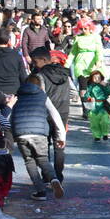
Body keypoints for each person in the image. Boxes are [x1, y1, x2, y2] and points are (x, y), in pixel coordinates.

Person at [11, 72, 65, 201]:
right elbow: (55, 115)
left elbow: (11, 115)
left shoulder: (17, 97)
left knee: (29, 161)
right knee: (43, 159)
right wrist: (61, 136)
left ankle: (40, 191)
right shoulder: (43, 96)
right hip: (40, 133)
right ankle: (54, 179)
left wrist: (10, 134)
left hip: (21, 133)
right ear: (40, 85)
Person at [30, 46, 72, 185]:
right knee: (59, 144)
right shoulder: (65, 74)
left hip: (45, 113)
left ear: (43, 60)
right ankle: (58, 176)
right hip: (63, 111)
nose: (33, 65)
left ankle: (47, 176)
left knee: (44, 145)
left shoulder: (39, 76)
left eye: (35, 62)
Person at [69, 21, 104, 119]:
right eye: (81, 28)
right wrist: (67, 64)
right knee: (83, 90)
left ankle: (93, 108)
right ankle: (86, 110)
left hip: (92, 65)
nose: (84, 30)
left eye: (86, 28)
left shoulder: (96, 38)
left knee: (92, 90)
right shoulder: (78, 38)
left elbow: (99, 51)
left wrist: (98, 61)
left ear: (90, 28)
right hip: (80, 65)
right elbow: (72, 53)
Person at [83, 71, 110, 142]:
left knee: (105, 120)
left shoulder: (103, 85)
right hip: (93, 106)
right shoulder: (90, 86)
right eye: (95, 77)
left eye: (99, 77)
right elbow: (86, 95)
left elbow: (109, 92)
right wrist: (90, 98)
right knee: (94, 122)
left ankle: (105, 133)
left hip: (103, 105)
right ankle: (97, 136)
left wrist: (106, 86)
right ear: (92, 78)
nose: (97, 79)